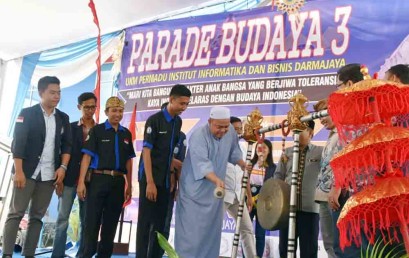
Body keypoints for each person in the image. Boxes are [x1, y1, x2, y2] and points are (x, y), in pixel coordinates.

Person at [2, 76, 72, 258]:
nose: (57, 96)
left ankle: (29, 254)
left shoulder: (63, 118)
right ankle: (7, 254)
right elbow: (18, 145)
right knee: (15, 214)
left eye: (59, 93)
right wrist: (18, 171)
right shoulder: (27, 113)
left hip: (49, 176)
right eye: (52, 92)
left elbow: (67, 146)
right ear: (42, 93)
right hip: (25, 173)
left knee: (37, 217)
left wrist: (63, 168)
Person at [175, 106, 247, 258]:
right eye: (219, 127)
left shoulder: (230, 132)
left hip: (213, 194)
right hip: (193, 193)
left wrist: (242, 164)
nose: (223, 130)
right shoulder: (199, 135)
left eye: (226, 126)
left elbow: (234, 151)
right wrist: (216, 179)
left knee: (211, 233)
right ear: (209, 122)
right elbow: (201, 162)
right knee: (191, 234)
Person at [76, 96, 135, 258]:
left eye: (121, 111)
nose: (118, 114)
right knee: (91, 223)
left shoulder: (126, 134)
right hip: (97, 180)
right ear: (106, 112)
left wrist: (129, 185)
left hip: (117, 182)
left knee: (111, 224)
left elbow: (129, 161)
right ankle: (86, 254)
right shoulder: (98, 130)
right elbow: (86, 157)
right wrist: (81, 182)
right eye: (114, 110)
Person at [136, 84, 191, 258]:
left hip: (166, 181)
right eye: (181, 103)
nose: (184, 107)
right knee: (145, 224)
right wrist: (150, 182)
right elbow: (147, 152)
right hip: (150, 178)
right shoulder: (155, 120)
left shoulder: (178, 122)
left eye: (187, 104)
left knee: (160, 226)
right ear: (171, 99)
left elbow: (168, 153)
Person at [51, 92, 97, 258]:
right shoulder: (70, 127)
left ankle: (82, 254)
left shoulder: (99, 130)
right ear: (79, 107)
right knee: (62, 219)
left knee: (87, 221)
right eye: (87, 107)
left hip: (91, 182)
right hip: (69, 179)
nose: (90, 110)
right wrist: (59, 178)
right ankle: (57, 254)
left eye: (93, 107)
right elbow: (61, 152)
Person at [328, 63, 364, 258]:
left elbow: (350, 154)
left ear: (349, 83)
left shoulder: (354, 113)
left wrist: (337, 186)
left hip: (353, 190)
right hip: (366, 191)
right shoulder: (372, 107)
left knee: (347, 248)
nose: (338, 91)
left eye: (339, 86)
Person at [274, 120, 322, 258]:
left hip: (310, 210)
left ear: (311, 133)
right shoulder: (287, 153)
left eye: (302, 129)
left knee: (309, 251)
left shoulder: (320, 152)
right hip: (287, 210)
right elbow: (278, 176)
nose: (297, 132)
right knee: (285, 250)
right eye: (296, 129)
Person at [223, 116, 257, 258]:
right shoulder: (220, 146)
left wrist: (249, 196)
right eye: (235, 129)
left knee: (247, 229)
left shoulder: (244, 148)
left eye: (240, 129)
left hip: (238, 195)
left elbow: (245, 174)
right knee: (211, 229)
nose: (238, 132)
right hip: (222, 195)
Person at [313, 99, 337, 258]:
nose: (321, 119)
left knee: (338, 242)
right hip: (322, 196)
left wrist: (336, 188)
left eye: (324, 113)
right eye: (319, 115)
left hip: (335, 195)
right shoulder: (331, 135)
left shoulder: (344, 133)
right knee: (328, 242)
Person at [247, 139, 276, 257]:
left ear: (269, 151)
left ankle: (257, 255)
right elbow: (243, 181)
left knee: (260, 234)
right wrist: (249, 198)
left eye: (264, 148)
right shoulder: (249, 164)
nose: (261, 150)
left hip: (263, 200)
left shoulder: (273, 167)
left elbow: (272, 186)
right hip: (248, 198)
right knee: (246, 232)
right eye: (259, 147)